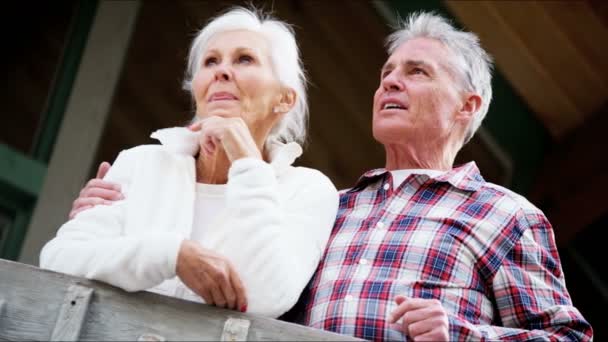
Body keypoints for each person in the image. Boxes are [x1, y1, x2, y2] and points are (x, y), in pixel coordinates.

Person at [67, 11, 593, 342]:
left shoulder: (508, 216)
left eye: (416, 72)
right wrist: (111, 214)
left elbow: (567, 338)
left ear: (467, 106)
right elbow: (235, 273)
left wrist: (465, 335)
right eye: (387, 73)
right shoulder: (326, 204)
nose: (390, 83)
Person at [40, 7, 339, 320]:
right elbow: (59, 259)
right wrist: (171, 255)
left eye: (244, 59)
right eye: (211, 61)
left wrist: (247, 161)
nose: (221, 72)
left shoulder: (308, 189)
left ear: (284, 99)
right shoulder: (140, 162)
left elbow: (267, 295)